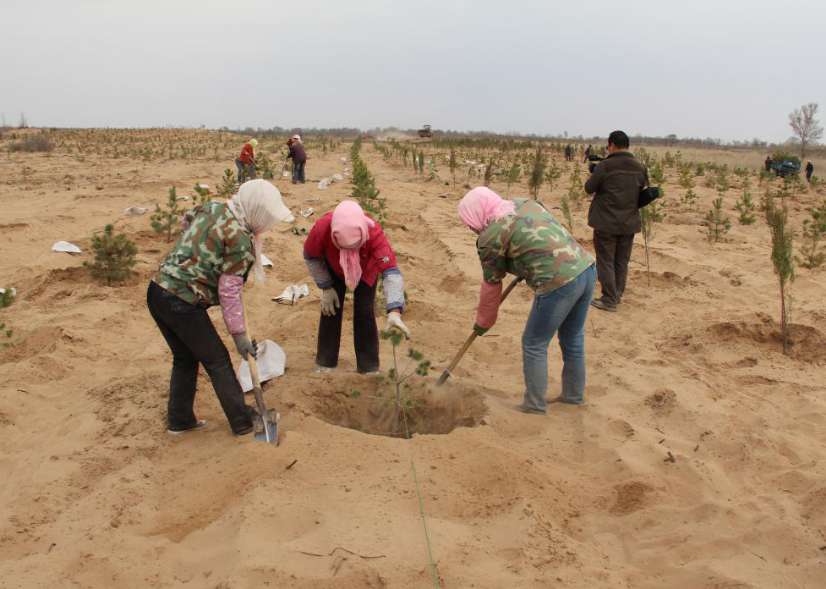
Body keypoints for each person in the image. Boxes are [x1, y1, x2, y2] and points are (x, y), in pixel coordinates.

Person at [147, 179, 294, 435]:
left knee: (185, 358)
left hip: (157, 291)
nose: (267, 224)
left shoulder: (213, 207)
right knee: (218, 361)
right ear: (256, 211)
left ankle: (180, 420)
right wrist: (239, 336)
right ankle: (243, 423)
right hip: (182, 300)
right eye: (267, 217)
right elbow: (229, 291)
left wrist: (196, 255)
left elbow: (186, 220)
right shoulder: (240, 243)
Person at [458, 187, 595, 414]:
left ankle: (534, 405)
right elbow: (541, 235)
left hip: (558, 282)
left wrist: (482, 323)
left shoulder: (490, 238)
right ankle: (573, 396)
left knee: (534, 343)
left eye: (469, 222)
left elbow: (491, 287)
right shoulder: (523, 204)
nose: (470, 227)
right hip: (586, 269)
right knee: (573, 338)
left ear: (477, 214)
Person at [304, 200, 410, 373]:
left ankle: (368, 366)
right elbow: (311, 256)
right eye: (344, 248)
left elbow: (390, 271)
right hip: (333, 265)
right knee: (331, 309)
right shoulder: (322, 228)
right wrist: (325, 286)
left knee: (364, 310)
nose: (349, 253)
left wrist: (394, 311)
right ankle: (326, 362)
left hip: (366, 269)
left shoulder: (373, 232)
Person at [584, 130, 648, 312]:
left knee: (605, 260)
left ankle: (609, 299)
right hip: (629, 222)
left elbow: (589, 188)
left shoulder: (606, 165)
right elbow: (639, 190)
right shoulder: (640, 167)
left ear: (611, 145)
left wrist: (595, 172)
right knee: (621, 261)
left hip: (606, 222)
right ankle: (616, 294)